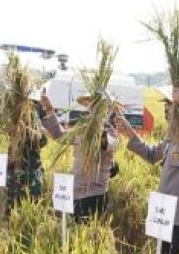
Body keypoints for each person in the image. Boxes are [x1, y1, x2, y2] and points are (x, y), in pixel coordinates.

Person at [115, 84, 179, 254]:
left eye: (170, 105)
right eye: (166, 105)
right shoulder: (171, 139)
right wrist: (131, 134)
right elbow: (152, 155)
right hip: (165, 216)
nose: (166, 110)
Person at [40, 91, 119, 221]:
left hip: (95, 196)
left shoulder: (111, 132)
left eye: (98, 105)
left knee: (91, 236)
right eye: (90, 104)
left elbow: (108, 143)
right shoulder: (82, 130)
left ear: (105, 108)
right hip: (76, 193)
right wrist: (49, 110)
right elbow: (60, 136)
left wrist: (99, 127)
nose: (92, 107)